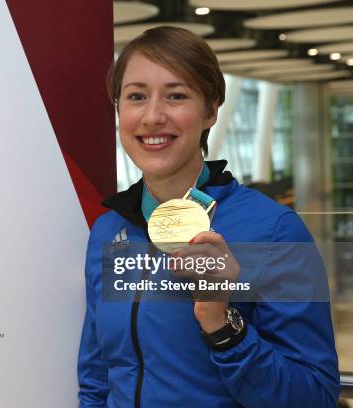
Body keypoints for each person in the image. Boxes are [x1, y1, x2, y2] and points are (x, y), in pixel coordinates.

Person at [77, 26, 340, 407]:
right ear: (119, 109)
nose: (152, 117)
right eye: (136, 96)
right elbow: (98, 376)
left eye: (176, 96)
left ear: (211, 110)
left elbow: (314, 396)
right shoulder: (109, 231)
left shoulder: (275, 233)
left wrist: (222, 325)